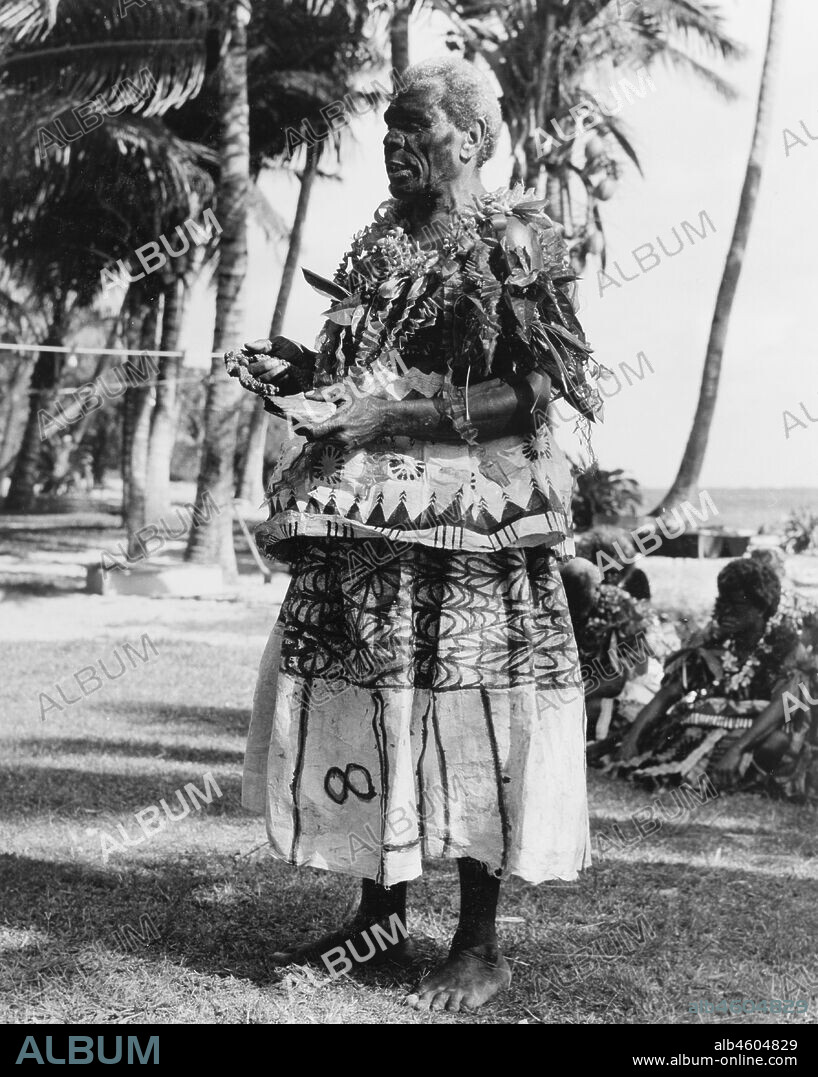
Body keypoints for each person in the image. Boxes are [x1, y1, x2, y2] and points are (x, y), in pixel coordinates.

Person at [228, 57, 603, 1012]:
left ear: (470, 143)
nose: (393, 148)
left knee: (473, 705)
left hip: (478, 520)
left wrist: (394, 421)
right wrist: (305, 366)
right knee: (375, 695)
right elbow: (369, 363)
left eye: (414, 132)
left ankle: (478, 944)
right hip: (374, 518)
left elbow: (539, 388)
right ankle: (380, 916)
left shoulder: (515, 239)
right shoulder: (374, 244)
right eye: (388, 132)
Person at [616, 558, 818, 800]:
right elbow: (670, 692)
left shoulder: (786, 647)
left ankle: (742, 780)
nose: (726, 611)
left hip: (755, 735)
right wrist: (633, 737)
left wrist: (737, 748)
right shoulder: (712, 642)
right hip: (706, 729)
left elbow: (783, 708)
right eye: (723, 602)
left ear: (761, 608)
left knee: (776, 742)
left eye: (737, 604)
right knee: (661, 734)